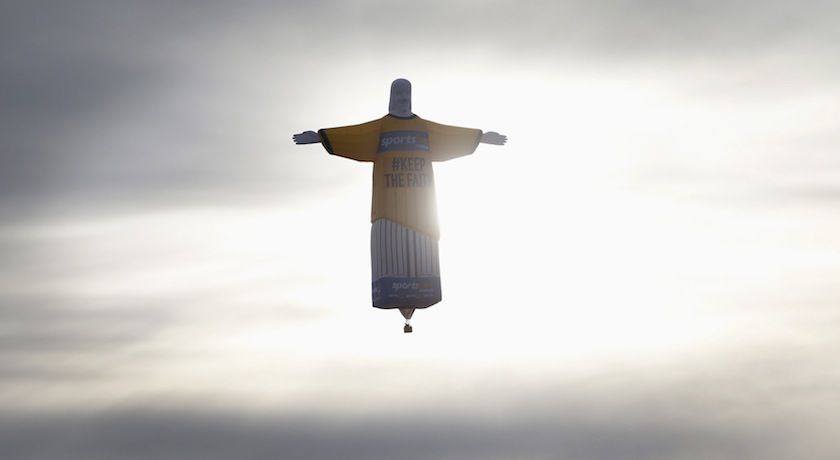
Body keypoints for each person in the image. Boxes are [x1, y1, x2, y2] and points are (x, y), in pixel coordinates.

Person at [293, 79, 506, 332]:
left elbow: (450, 134)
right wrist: (320, 138)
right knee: (393, 256)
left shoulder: (425, 130)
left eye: (408, 93)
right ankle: (396, 293)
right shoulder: (380, 129)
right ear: (392, 96)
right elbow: (353, 134)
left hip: (422, 215)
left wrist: (479, 138)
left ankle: (418, 293)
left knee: (422, 260)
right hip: (388, 212)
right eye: (400, 93)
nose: (404, 97)